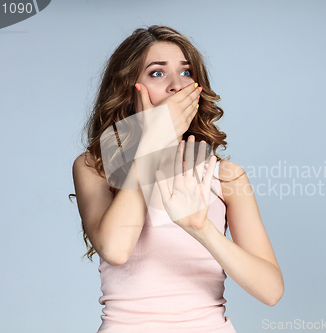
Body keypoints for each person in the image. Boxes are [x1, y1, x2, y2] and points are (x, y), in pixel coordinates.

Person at [71, 25, 284, 332]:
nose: (175, 85)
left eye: (185, 73)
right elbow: (116, 249)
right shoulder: (95, 167)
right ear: (130, 88)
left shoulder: (226, 177)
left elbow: (271, 290)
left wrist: (203, 230)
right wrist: (152, 144)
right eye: (157, 73)